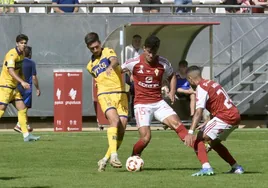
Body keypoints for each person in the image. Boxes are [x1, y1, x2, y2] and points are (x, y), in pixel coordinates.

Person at [121, 35, 212, 176]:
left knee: (179, 126)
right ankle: (134, 156)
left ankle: (205, 165)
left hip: (158, 102)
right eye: (149, 51)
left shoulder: (163, 63)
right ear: (144, 49)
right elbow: (118, 71)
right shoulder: (133, 62)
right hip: (142, 105)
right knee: (146, 138)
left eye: (154, 52)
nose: (151, 55)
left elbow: (172, 76)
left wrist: (172, 91)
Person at [184, 65, 244, 176]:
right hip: (235, 115)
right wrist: (208, 121)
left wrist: (190, 132)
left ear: (190, 79)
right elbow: (218, 102)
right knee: (214, 143)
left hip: (225, 117)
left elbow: (198, 112)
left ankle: (206, 168)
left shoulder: (201, 88)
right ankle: (236, 167)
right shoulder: (212, 83)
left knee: (198, 140)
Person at [85, 32, 128, 172]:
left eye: (97, 47)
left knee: (121, 131)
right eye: (92, 48)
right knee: (114, 121)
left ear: (100, 44)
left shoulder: (108, 51)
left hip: (121, 94)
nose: (95, 50)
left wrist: (110, 66)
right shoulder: (90, 66)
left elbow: (115, 60)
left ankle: (104, 159)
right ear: (88, 48)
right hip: (105, 95)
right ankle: (115, 156)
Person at [0, 34, 40, 142]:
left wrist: (23, 79)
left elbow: (19, 69)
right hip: (6, 86)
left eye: (25, 43)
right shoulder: (12, 54)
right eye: (21, 43)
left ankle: (26, 136)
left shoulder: (22, 54)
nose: (23, 45)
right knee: (1, 109)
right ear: (17, 43)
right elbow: (11, 70)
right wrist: (22, 82)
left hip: (13, 87)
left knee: (22, 109)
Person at [13, 46, 41, 133]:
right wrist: (38, 88)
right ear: (30, 53)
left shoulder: (17, 61)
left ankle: (25, 124)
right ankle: (19, 125)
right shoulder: (31, 63)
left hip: (15, 87)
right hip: (26, 89)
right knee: (24, 108)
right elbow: (33, 77)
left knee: (21, 108)